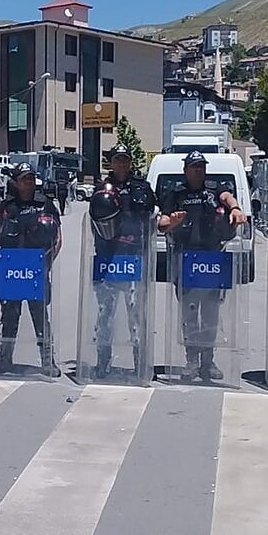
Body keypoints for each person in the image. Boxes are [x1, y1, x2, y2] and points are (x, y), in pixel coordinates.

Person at [158, 150, 246, 381]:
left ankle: (208, 361)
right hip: (185, 257)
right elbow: (162, 222)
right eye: (194, 166)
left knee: (210, 312)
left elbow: (227, 197)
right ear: (185, 170)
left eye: (201, 166)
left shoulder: (214, 188)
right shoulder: (176, 193)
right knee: (189, 311)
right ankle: (191, 361)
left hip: (212, 257)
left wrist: (235, 208)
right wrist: (171, 221)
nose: (198, 170)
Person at [0, 163, 63, 377]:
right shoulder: (8, 206)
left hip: (36, 268)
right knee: (10, 315)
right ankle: (5, 358)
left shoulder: (44, 203)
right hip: (12, 267)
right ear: (16, 182)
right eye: (24, 179)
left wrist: (48, 264)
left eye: (31, 178)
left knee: (40, 318)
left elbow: (57, 237)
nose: (28, 182)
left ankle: (48, 361)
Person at [90, 144, 158, 378]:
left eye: (124, 160)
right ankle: (102, 362)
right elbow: (94, 221)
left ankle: (141, 364)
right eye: (117, 160)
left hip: (133, 259)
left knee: (136, 315)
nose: (121, 164)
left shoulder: (142, 187)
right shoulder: (102, 188)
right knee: (104, 314)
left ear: (130, 162)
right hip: (108, 259)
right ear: (111, 163)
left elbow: (152, 217)